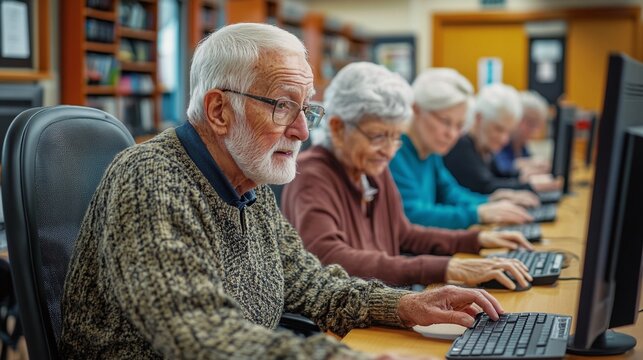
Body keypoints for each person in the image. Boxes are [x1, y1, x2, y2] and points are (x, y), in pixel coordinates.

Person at [59, 24, 506, 360]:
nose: (302, 129)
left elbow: (311, 284)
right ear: (218, 109)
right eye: (281, 106)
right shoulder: (152, 180)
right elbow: (199, 333)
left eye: (306, 107)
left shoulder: (248, 179)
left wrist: (408, 305)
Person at [282, 62, 533, 292]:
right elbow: (330, 257)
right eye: (378, 136)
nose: (390, 151)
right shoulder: (312, 175)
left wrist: (476, 240)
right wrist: (446, 268)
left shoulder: (371, 166)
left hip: (383, 303)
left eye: (396, 137)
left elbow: (404, 233)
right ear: (337, 128)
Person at [390, 68, 538, 230]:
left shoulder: (431, 151)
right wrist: (477, 213)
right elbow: (411, 214)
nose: (452, 134)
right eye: (446, 122)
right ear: (416, 109)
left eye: (459, 125)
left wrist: (489, 201)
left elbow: (451, 193)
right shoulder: (394, 152)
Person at [444, 83, 560, 194]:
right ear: (479, 118)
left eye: (508, 132)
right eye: (499, 129)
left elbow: (499, 175)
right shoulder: (460, 145)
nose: (504, 140)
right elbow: (485, 186)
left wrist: (522, 175)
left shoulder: (482, 147)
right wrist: (530, 185)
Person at [492, 90, 552, 179]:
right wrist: (527, 164)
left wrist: (538, 165)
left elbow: (527, 163)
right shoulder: (500, 140)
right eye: (531, 123)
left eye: (537, 125)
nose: (535, 131)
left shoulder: (521, 144)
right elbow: (502, 169)